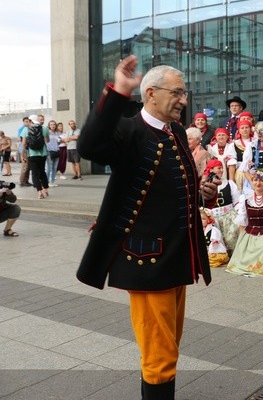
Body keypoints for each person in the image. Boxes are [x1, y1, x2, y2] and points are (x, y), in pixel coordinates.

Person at [75, 56, 214, 399]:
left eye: (185, 93)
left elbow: (167, 187)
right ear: (151, 93)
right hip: (148, 261)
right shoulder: (128, 129)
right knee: (159, 357)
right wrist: (118, 91)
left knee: (170, 348)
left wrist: (201, 192)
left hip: (179, 258)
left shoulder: (177, 131)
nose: (184, 99)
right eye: (178, 92)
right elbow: (89, 146)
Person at [201, 159, 241, 256]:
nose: (222, 170)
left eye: (222, 168)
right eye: (219, 168)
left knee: (231, 238)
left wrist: (239, 215)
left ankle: (234, 257)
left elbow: (237, 201)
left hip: (229, 217)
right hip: (213, 218)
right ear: (211, 170)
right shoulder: (205, 185)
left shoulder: (229, 183)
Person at [21, 115, 50, 199]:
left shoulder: (26, 129)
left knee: (35, 173)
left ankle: (39, 191)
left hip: (32, 155)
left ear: (30, 120)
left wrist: (22, 154)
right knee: (42, 171)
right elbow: (47, 140)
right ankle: (45, 189)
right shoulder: (44, 128)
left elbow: (23, 143)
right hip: (42, 154)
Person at [231, 119, 254, 190]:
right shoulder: (234, 144)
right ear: (239, 131)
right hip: (240, 173)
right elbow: (232, 161)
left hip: (254, 172)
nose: (245, 130)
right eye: (242, 128)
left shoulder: (256, 141)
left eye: (247, 127)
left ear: (250, 129)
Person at [45, 120, 60, 186]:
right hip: (49, 152)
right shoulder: (47, 133)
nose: (53, 126)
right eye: (51, 124)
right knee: (49, 167)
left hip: (56, 151)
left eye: (54, 124)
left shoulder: (57, 133)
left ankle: (52, 181)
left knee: (55, 167)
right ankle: (47, 181)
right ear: (49, 126)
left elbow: (59, 142)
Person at [17, 117, 31, 186]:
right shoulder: (22, 129)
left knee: (28, 166)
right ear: (23, 121)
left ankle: (26, 181)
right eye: (26, 121)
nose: (27, 122)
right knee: (25, 166)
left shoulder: (29, 128)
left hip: (28, 149)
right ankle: (22, 181)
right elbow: (21, 140)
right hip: (24, 149)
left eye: (28, 121)